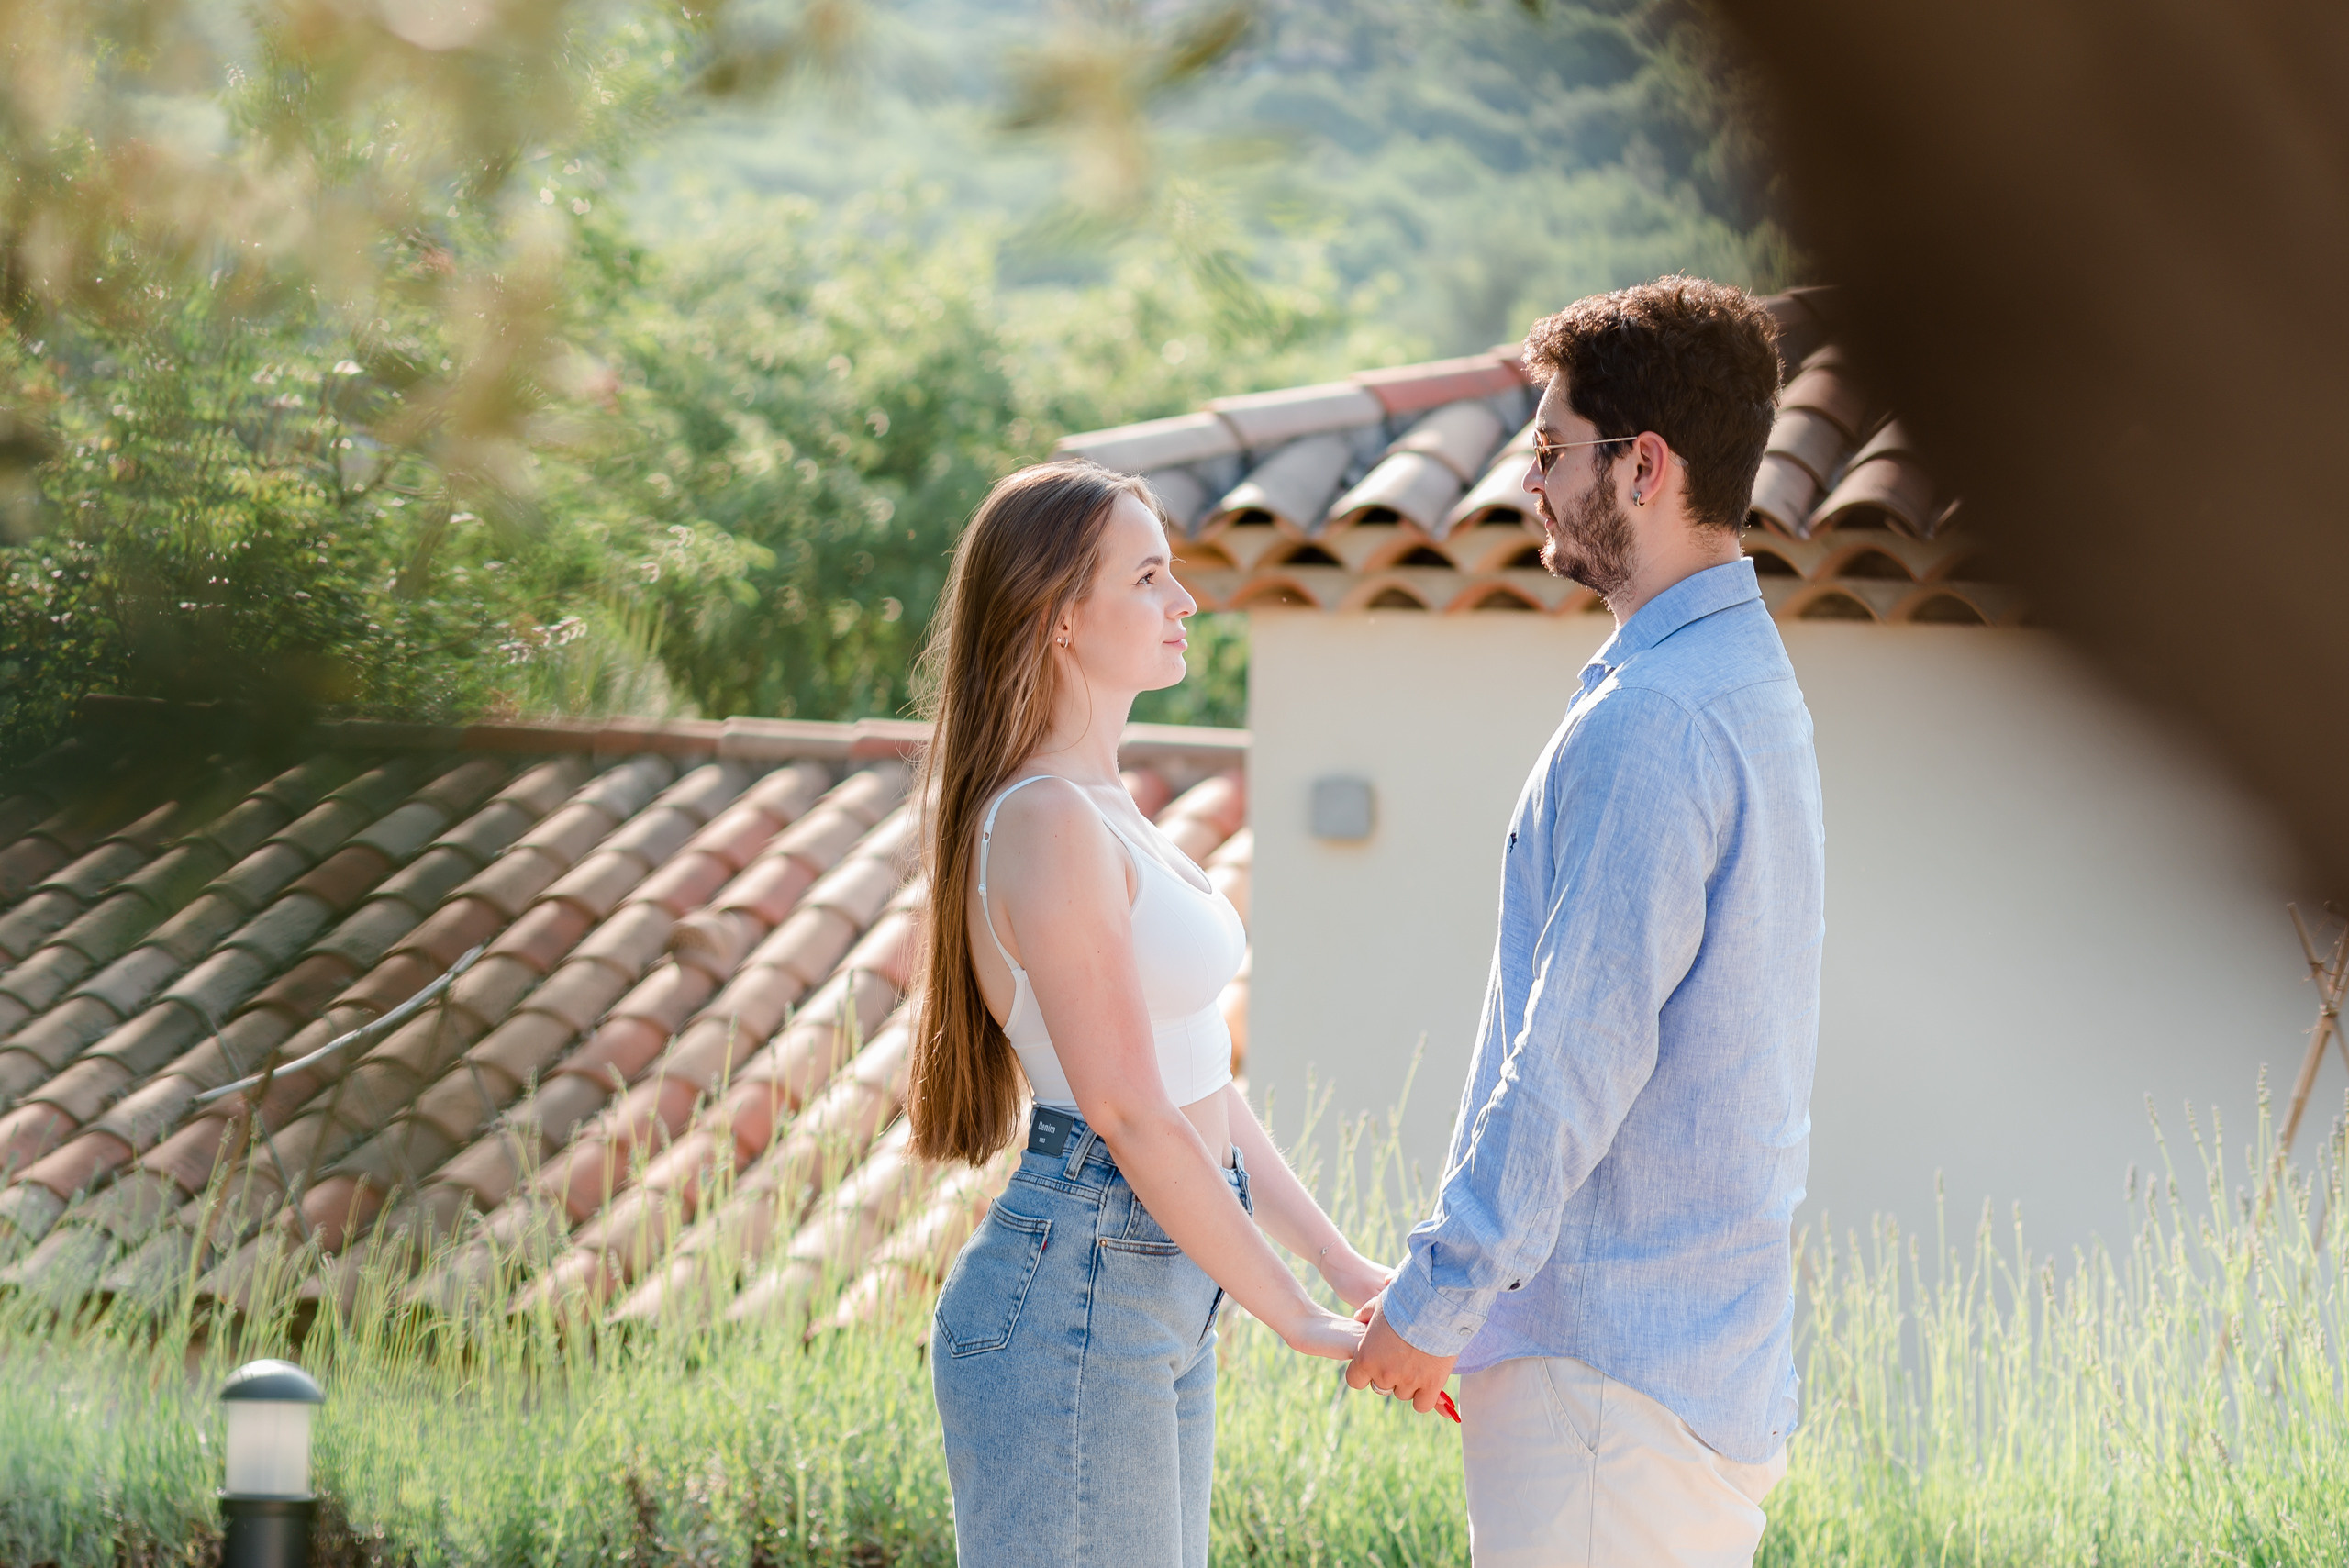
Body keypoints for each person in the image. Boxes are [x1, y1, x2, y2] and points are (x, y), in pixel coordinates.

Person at [1346, 276, 1826, 1568]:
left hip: (1607, 1384)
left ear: (1645, 466)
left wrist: (1439, 1298)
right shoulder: (1740, 683)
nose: (1528, 482)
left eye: (1551, 451)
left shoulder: (1654, 719)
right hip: (1674, 1371)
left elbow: (1574, 1051)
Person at [909, 459, 1387, 1568]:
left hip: (1147, 1276)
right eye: (1149, 577)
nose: (1184, 603)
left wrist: (1342, 1266)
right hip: (1084, 1274)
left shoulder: (1105, 807)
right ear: (1061, 616)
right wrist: (1294, 1314)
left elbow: (1198, 1084)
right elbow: (1128, 1108)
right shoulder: (1043, 821)